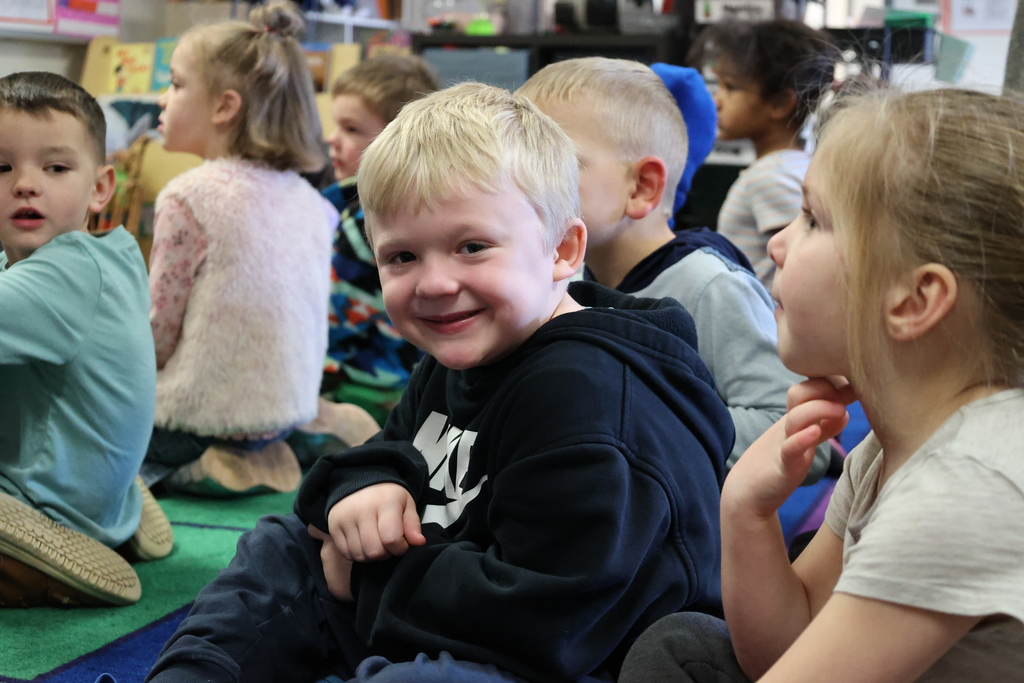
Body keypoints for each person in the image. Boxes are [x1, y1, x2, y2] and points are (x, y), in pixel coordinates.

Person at [146, 82, 733, 683]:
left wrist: (369, 576)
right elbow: (384, 452)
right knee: (284, 547)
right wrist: (365, 486)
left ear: (562, 248)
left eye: (471, 247)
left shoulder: (591, 398)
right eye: (401, 258)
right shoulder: (465, 349)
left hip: (572, 655)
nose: (432, 284)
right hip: (446, 600)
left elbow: (552, 619)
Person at [618, 88, 1024, 682]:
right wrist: (746, 511)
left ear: (913, 300)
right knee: (685, 645)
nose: (777, 242)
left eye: (813, 219)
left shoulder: (966, 483)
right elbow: (781, 650)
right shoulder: (887, 450)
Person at [518, 57, 828, 478]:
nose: (519, 189)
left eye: (553, 166)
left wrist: (631, 436)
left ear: (642, 187)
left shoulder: (711, 286)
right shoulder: (567, 279)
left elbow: (797, 430)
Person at [142, 1, 339, 496]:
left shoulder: (189, 197)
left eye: (175, 84)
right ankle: (281, 451)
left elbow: (158, 337)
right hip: (283, 413)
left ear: (225, 107)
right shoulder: (314, 202)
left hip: (195, 420)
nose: (162, 99)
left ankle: (169, 476)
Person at [0, 71, 171, 607]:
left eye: (54, 167)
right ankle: (111, 508)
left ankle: (41, 567)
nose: (25, 183)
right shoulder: (110, 253)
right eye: (1, 167)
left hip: (43, 506)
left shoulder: (62, 274)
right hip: (93, 492)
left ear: (100, 187)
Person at [292, 56, 440, 466]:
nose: (332, 140)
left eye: (352, 129)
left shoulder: (365, 219)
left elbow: (333, 325)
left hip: (366, 386)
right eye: (336, 125)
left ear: (398, 141)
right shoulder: (358, 204)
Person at [688, 19, 836, 288]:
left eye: (730, 87)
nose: (716, 100)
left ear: (779, 103)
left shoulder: (770, 179)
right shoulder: (796, 165)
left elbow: (810, 261)